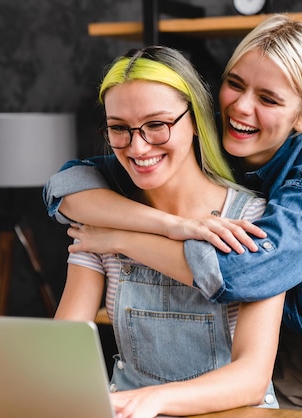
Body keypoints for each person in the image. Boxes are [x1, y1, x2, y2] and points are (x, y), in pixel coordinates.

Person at [44, 14, 302, 418]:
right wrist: (169, 224)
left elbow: (243, 272)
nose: (241, 107)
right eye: (235, 84)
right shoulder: (203, 135)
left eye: (269, 99)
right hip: (284, 362)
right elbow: (70, 185)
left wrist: (120, 238)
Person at [53, 45, 284, 418]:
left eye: (157, 125)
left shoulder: (252, 220)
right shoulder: (103, 219)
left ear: (194, 120)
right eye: (119, 129)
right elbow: (62, 345)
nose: (137, 146)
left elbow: (251, 377)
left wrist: (155, 399)